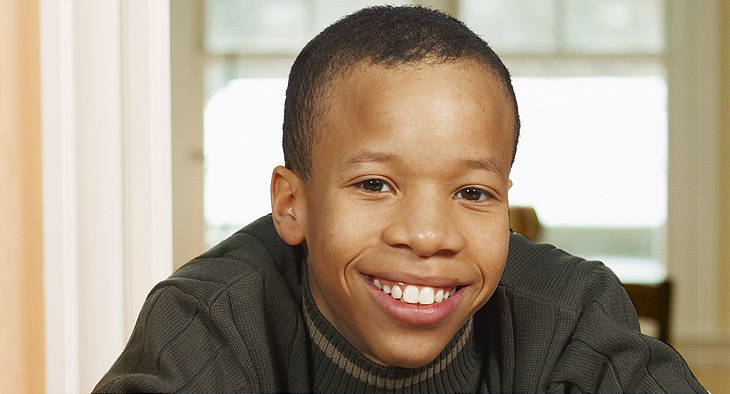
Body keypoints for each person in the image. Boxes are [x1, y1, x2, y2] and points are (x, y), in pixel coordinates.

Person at [94, 5, 706, 393]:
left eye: (472, 192)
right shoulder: (211, 322)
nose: (427, 234)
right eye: (375, 185)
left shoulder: (570, 317)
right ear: (292, 204)